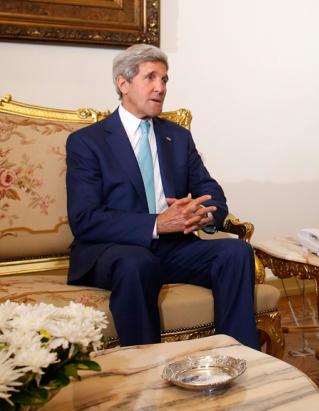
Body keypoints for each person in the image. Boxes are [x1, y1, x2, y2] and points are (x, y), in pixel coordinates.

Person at [65, 44, 258, 349]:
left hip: (173, 248)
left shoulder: (176, 136)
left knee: (236, 253)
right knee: (137, 263)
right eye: (150, 78)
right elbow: (85, 219)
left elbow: (211, 191)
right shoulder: (87, 143)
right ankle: (146, 374)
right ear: (123, 83)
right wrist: (157, 224)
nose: (160, 88)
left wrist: (203, 214)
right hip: (115, 251)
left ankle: (238, 358)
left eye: (165, 79)